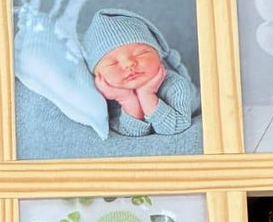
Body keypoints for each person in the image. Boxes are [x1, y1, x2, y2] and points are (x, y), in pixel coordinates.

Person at [81, 7, 199, 136]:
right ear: (97, 75)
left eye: (140, 53)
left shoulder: (175, 85)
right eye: (113, 63)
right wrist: (127, 99)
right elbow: (134, 132)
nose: (129, 64)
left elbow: (175, 127)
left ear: (158, 54)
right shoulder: (107, 97)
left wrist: (147, 94)